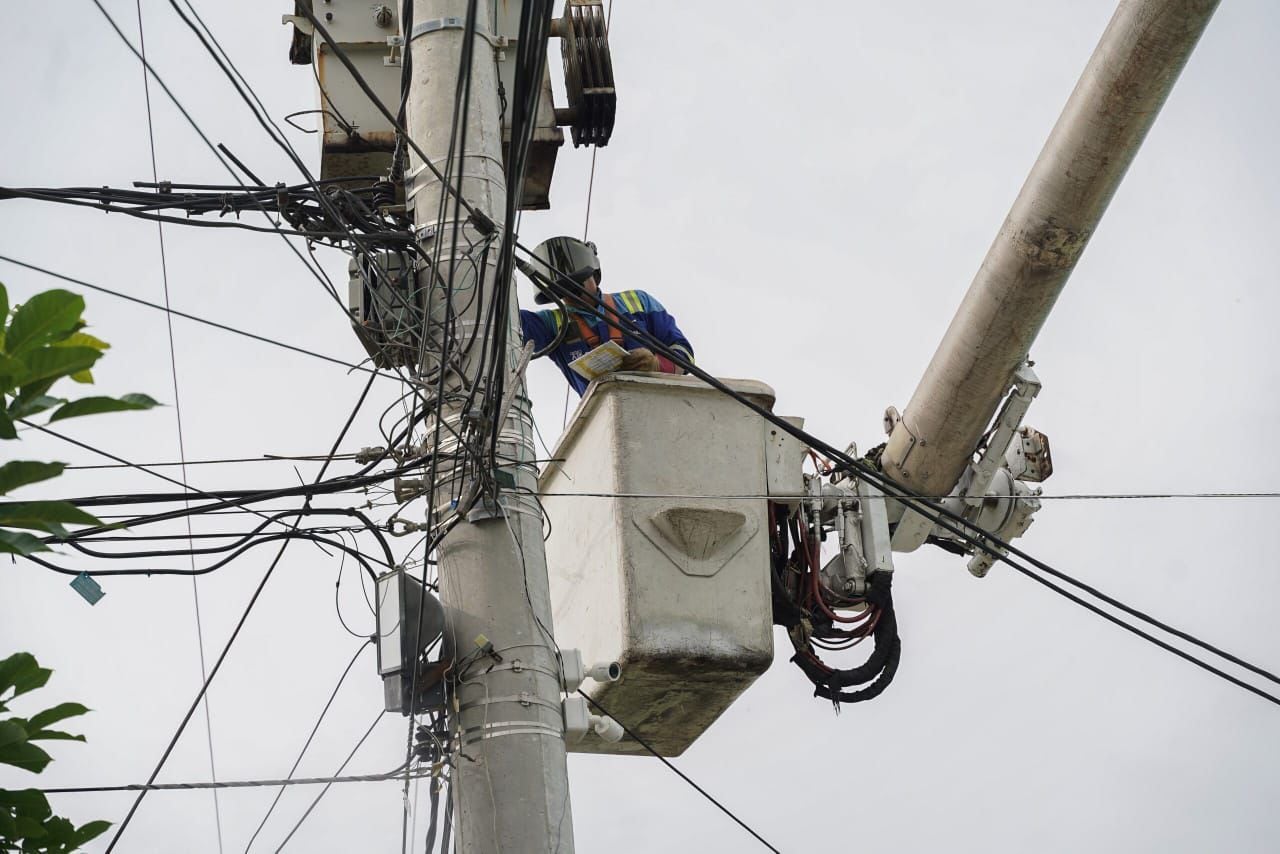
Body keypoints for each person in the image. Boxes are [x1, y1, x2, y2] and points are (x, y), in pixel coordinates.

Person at [518, 236, 695, 396]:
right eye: (562, 290)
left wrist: (657, 364)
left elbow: (685, 354)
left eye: (577, 285)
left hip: (655, 401)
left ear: (594, 274)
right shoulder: (551, 323)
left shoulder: (638, 301)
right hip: (604, 414)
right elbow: (507, 321)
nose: (570, 294)